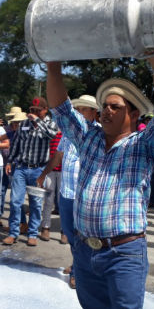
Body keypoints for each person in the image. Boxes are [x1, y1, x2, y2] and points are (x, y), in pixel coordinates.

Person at [46, 49, 154, 309]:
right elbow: (61, 109)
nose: (105, 111)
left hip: (124, 252)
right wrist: (53, 63)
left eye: (114, 107)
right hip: (85, 251)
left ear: (132, 113)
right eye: (104, 106)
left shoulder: (144, 146)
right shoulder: (89, 139)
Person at [39, 94, 100, 289]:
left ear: (93, 112)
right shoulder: (68, 133)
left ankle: (78, 273)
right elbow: (58, 156)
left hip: (85, 196)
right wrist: (43, 174)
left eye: (84, 109)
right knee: (71, 234)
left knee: (83, 236)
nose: (80, 113)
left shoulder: (100, 133)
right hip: (66, 192)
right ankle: (78, 264)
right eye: (78, 109)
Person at [3, 97, 59, 246]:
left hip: (38, 170)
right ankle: (13, 233)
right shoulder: (24, 124)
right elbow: (16, 144)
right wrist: (10, 161)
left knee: (35, 203)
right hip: (21, 167)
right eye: (31, 110)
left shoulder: (50, 124)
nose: (33, 113)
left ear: (45, 110)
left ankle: (32, 233)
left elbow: (51, 135)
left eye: (37, 110)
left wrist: (37, 121)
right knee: (15, 202)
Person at [36, 130, 62, 241]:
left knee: (63, 202)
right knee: (48, 201)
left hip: (65, 171)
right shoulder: (51, 132)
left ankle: (64, 230)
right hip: (50, 170)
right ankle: (45, 227)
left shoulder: (69, 132)